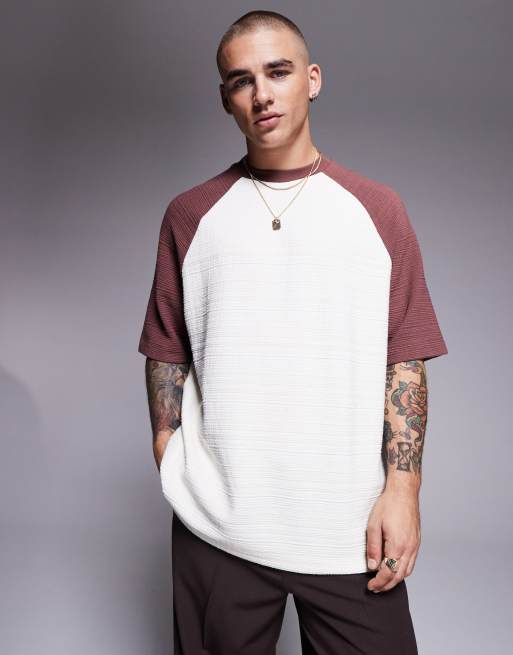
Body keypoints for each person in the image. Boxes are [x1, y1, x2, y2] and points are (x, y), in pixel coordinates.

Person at [138, 9, 448, 654]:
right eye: (241, 80)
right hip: (218, 523)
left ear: (312, 80)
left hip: (348, 526)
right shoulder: (191, 215)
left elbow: (404, 358)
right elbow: (167, 350)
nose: (262, 94)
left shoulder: (378, 209)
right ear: (226, 98)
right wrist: (172, 454)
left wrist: (403, 491)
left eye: (277, 72)